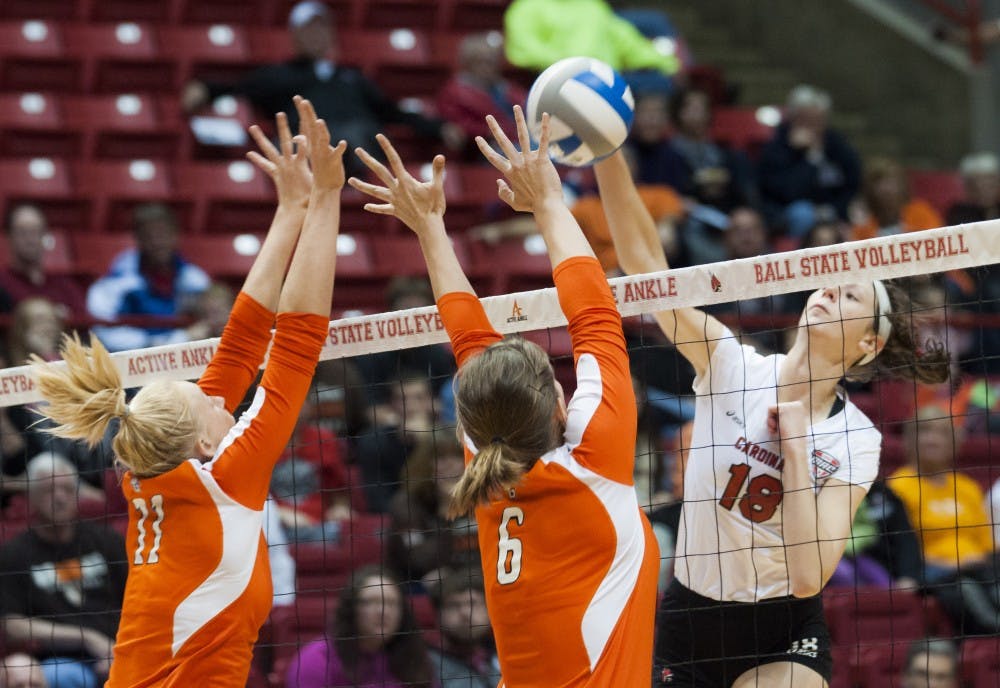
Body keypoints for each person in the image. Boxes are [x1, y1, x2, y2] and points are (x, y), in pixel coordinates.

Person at [596, 141, 949, 686]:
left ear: (869, 346)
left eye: (852, 297)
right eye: (830, 284)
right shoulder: (731, 364)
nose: (831, 292)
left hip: (783, 626)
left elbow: (810, 576)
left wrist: (796, 449)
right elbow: (646, 269)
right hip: (692, 617)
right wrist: (606, 151)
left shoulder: (857, 438)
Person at [30, 97, 347, 687]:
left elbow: (241, 346)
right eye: (206, 400)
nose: (217, 396)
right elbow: (295, 343)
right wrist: (328, 200)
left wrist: (293, 208)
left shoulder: (160, 470)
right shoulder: (219, 476)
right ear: (204, 436)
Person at [349, 105, 659, 685]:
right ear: (560, 405)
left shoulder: (485, 460)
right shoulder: (589, 458)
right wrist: (544, 201)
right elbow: (584, 313)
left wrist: (433, 227)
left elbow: (492, 336)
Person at [182, 0, 463, 160]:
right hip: (307, 149)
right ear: (295, 36)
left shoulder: (352, 78)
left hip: (358, 146)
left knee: (361, 136)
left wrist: (438, 128)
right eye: (309, 30)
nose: (317, 36)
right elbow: (237, 87)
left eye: (322, 29)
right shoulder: (278, 75)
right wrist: (204, 89)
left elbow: (390, 111)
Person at [0, 454, 127, 688]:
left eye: (67, 488)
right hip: (60, 662)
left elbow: (137, 601)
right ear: (31, 497)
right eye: (49, 490)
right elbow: (12, 626)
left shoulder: (108, 540)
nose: (59, 498)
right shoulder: (13, 554)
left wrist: (121, 649)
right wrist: (87, 639)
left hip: (122, 648)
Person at [887, 407, 1000, 635]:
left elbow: (986, 545)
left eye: (941, 433)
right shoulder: (897, 488)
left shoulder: (968, 487)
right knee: (965, 589)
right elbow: (902, 552)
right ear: (909, 440)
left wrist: (975, 562)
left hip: (978, 568)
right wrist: (954, 564)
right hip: (932, 573)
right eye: (925, 431)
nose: (932, 440)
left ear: (954, 443)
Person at [85, 202, 211, 352]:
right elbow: (104, 332)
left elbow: (207, 327)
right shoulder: (115, 283)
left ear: (176, 235)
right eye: (150, 236)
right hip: (130, 364)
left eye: (164, 234)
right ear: (138, 239)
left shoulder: (195, 281)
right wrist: (163, 344)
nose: (158, 242)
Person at [284, 565, 433, 688]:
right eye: (371, 602)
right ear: (351, 608)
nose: (383, 611)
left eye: (392, 603)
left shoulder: (414, 656)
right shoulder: (317, 660)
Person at [758, 84, 862, 237]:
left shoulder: (834, 142)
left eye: (818, 120)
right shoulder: (778, 146)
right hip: (791, 215)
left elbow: (853, 181)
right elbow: (789, 192)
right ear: (793, 119)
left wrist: (836, 209)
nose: (813, 128)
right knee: (802, 213)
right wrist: (809, 159)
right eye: (807, 121)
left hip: (833, 211)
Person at [503, 0, 679, 77]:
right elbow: (523, 51)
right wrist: (573, 66)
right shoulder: (526, 6)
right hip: (559, 81)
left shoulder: (595, 5)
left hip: (609, 80)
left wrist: (666, 63)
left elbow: (627, 42)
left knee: (658, 82)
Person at [436, 32, 527, 156]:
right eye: (481, 61)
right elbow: (458, 125)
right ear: (468, 63)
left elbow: (527, 106)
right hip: (486, 150)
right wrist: (488, 132)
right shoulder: (455, 92)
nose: (488, 67)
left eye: (492, 61)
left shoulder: (506, 88)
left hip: (519, 142)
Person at [0, 204, 84, 318]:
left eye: (36, 231)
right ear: (9, 237)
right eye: (22, 232)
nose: (30, 239)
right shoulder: (3, 284)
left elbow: (84, 324)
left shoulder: (65, 286)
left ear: (46, 236)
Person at [426, 568, 502, 688]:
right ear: (438, 614)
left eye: (473, 603)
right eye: (453, 605)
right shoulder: (424, 662)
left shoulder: (502, 653)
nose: (465, 613)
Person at [850, 157, 943, 240]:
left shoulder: (921, 213)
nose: (886, 189)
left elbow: (937, 242)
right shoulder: (863, 225)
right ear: (869, 189)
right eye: (879, 183)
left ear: (902, 185)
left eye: (891, 182)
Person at [945, 151, 1000, 225]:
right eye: (980, 180)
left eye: (991, 179)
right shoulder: (959, 213)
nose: (986, 185)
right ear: (968, 186)